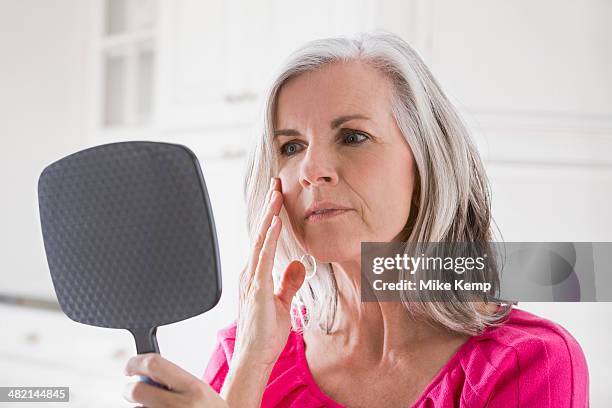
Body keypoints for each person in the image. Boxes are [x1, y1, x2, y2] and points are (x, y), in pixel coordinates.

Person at [122, 32, 589, 407]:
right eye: (290, 146)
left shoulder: (529, 364)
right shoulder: (244, 351)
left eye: (352, 136)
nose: (310, 171)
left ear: (426, 160)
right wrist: (249, 368)